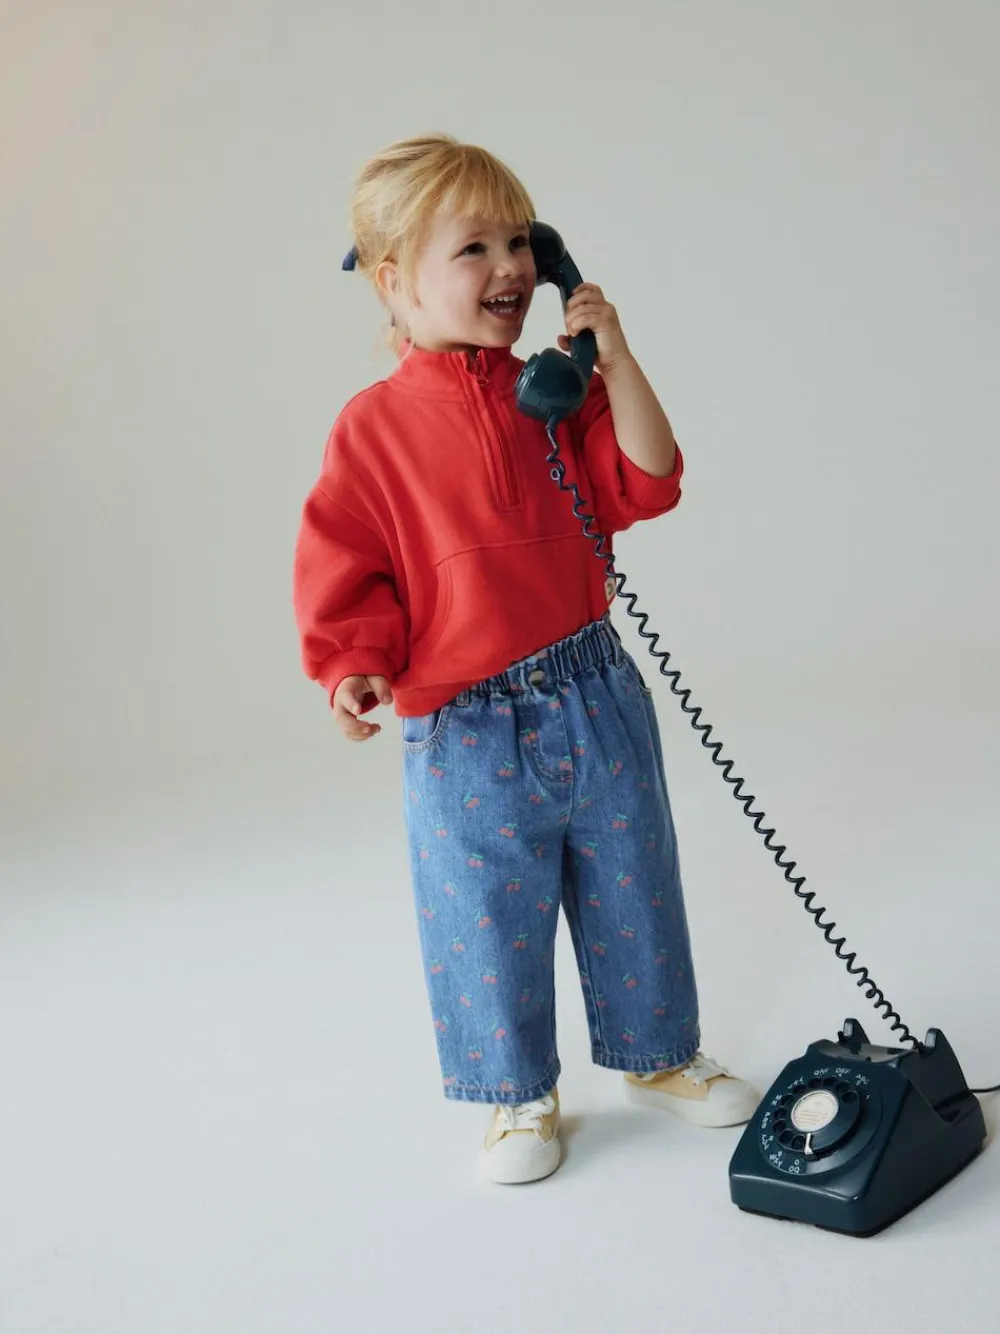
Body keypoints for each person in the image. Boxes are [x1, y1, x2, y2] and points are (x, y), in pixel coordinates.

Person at [293, 133, 758, 1184]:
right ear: (395, 282)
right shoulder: (370, 430)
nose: (508, 267)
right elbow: (344, 561)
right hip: (466, 722)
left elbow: (648, 479)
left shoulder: (553, 394)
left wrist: (611, 359)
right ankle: (514, 1090)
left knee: (634, 880)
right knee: (484, 908)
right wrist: (352, 662)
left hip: (593, 689)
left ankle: (657, 1053)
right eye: (474, 248)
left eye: (520, 243)